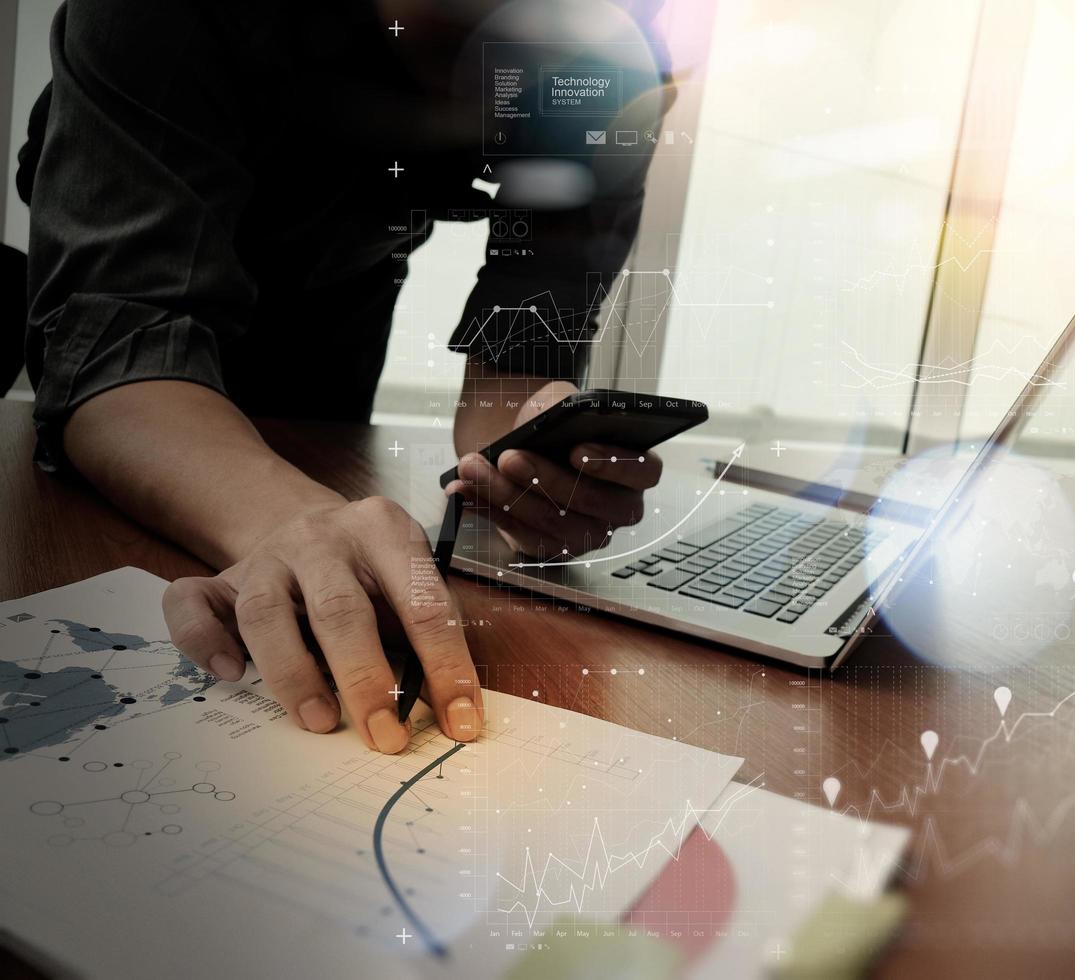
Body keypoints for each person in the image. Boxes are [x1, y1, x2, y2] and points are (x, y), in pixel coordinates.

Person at [18, 0, 671, 753]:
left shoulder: (604, 69)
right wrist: (291, 521)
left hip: (342, 292)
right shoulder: (160, 19)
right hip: (128, 226)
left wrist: (528, 466)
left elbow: (518, 361)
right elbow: (118, 341)